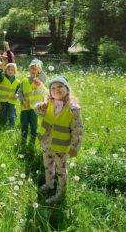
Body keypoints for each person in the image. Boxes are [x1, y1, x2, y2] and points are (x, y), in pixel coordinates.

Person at [34, 76, 83, 204]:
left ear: (67, 89)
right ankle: (49, 184)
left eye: (60, 86)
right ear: (50, 92)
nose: (56, 90)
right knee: (48, 164)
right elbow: (38, 111)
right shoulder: (48, 103)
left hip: (61, 145)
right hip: (47, 142)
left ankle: (61, 192)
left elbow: (77, 129)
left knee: (61, 169)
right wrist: (41, 107)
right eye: (53, 88)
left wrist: (75, 147)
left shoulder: (73, 109)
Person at [18, 59, 49, 150]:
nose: (33, 70)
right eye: (31, 68)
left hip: (36, 109)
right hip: (25, 107)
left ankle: (32, 141)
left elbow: (45, 78)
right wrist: (23, 101)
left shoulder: (40, 80)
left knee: (34, 126)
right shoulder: (24, 80)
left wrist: (40, 70)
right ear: (28, 70)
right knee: (24, 124)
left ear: (38, 71)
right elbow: (20, 92)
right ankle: (23, 140)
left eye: (35, 69)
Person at [0, 62, 20, 127]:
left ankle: (12, 125)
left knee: (11, 112)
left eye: (12, 70)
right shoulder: (2, 78)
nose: (10, 71)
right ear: (6, 70)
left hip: (12, 100)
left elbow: (19, 90)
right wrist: (0, 69)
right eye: (8, 69)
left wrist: (17, 94)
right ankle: (2, 123)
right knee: (3, 112)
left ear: (15, 71)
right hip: (3, 100)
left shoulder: (17, 81)